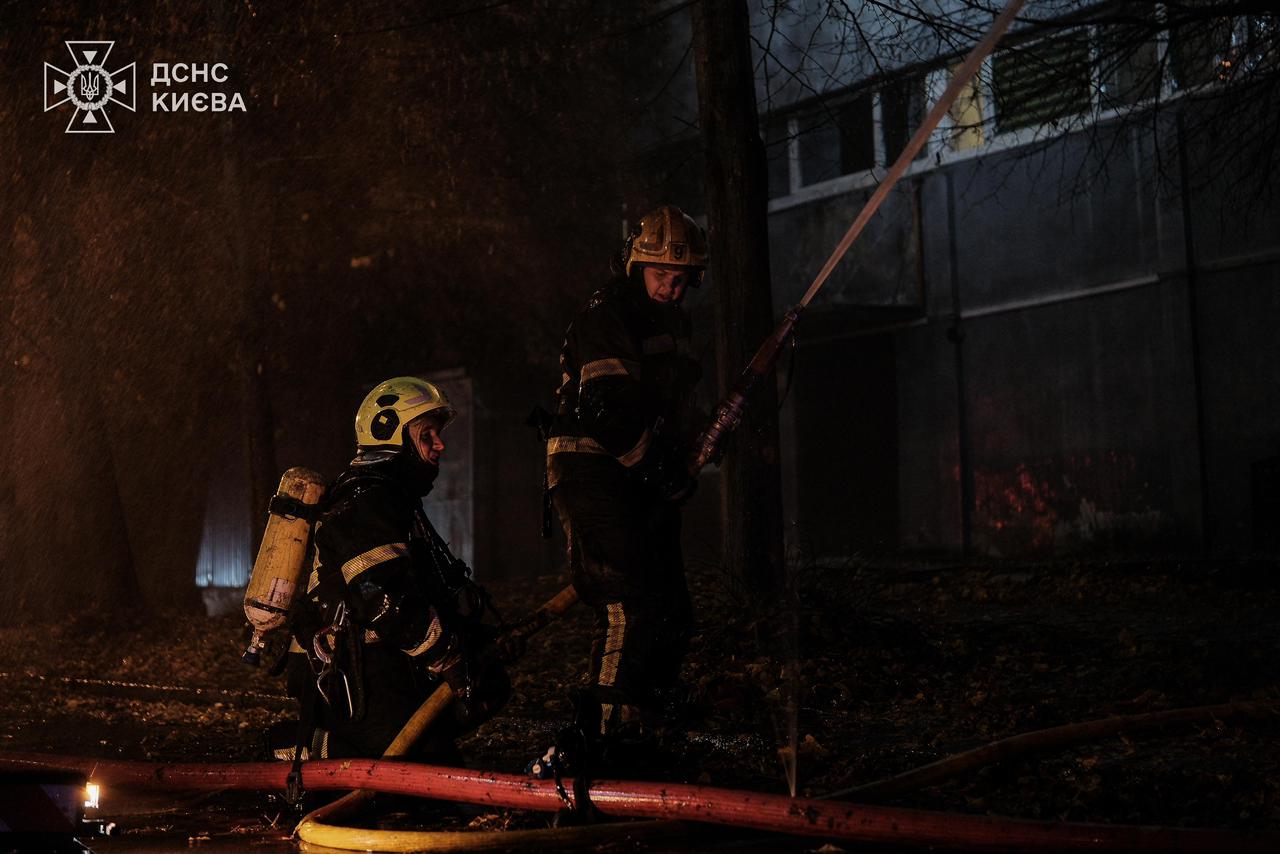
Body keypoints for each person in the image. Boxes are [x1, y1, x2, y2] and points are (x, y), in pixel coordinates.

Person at [539, 204, 708, 773]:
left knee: (672, 611)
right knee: (626, 602)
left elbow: (674, 404)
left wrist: (698, 445)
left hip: (640, 474)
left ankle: (647, 725)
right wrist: (661, 469)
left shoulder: (673, 325)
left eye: (681, 278)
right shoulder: (609, 314)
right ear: (635, 270)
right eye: (661, 275)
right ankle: (603, 742)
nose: (671, 286)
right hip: (592, 470)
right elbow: (606, 410)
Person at [271, 376, 508, 764]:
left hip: (379, 665)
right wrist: (451, 660)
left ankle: (404, 750)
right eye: (426, 434)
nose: (439, 445)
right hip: (349, 675)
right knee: (412, 771)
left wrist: (481, 640)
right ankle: (299, 747)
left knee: (487, 688)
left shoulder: (392, 499)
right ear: (390, 434)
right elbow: (381, 598)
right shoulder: (365, 502)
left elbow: (431, 589)